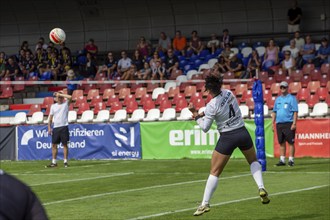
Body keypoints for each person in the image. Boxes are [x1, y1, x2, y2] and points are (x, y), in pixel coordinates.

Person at [189, 75, 270, 216]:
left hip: (227, 137)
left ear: (208, 90)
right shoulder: (229, 93)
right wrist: (203, 113)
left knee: (214, 172)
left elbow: (205, 127)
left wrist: (196, 116)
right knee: (253, 161)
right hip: (242, 132)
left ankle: (205, 204)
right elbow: (221, 108)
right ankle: (261, 187)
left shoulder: (211, 105)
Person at [272, 81, 298, 167]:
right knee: (281, 142)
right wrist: (273, 123)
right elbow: (274, 112)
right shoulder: (278, 99)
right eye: (281, 87)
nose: (282, 89)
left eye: (284, 87)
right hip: (279, 123)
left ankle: (291, 160)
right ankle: (282, 160)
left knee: (291, 142)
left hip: (289, 123)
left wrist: (294, 123)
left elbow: (295, 112)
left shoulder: (292, 98)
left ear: (287, 88)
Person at [46, 91, 72, 168]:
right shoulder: (53, 106)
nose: (60, 98)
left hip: (64, 126)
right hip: (56, 127)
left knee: (64, 144)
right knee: (54, 145)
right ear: (56, 99)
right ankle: (54, 162)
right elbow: (50, 118)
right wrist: (49, 128)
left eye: (61, 97)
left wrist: (60, 94)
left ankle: (65, 161)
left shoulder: (65, 104)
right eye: (58, 97)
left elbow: (70, 97)